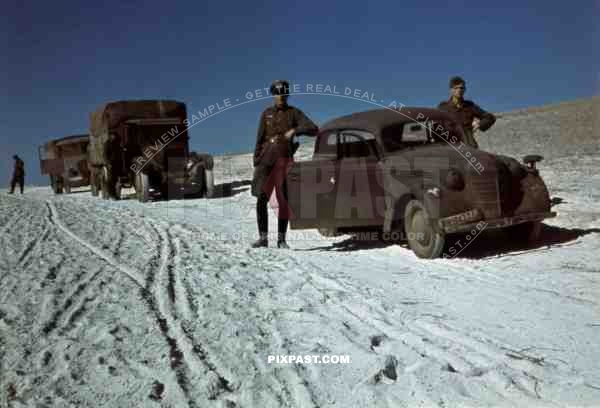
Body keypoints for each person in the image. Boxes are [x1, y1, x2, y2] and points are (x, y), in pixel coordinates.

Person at [251, 80, 319, 248]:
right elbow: (259, 139)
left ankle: (281, 240)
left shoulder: (294, 113)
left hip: (284, 162)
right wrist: (256, 161)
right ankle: (263, 238)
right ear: (273, 95)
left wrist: (295, 130)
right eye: (277, 94)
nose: (280, 97)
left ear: (287, 95)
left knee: (283, 201)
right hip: (266, 162)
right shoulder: (266, 113)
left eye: (283, 93)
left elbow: (313, 129)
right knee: (261, 199)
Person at [437, 76, 496, 148]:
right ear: (451, 90)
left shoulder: (470, 106)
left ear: (464, 90)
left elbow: (490, 117)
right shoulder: (443, 107)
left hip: (469, 145)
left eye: (461, 88)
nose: (459, 90)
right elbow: (436, 126)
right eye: (456, 88)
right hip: (452, 147)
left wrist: (479, 124)